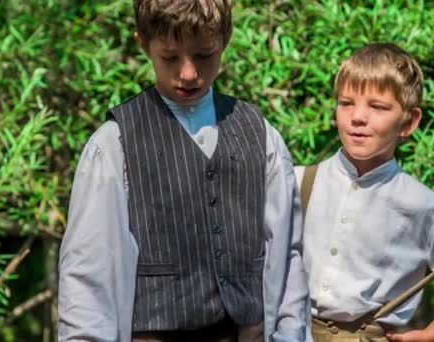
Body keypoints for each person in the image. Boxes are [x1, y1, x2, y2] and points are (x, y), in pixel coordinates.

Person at [58, 1, 311, 341]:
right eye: (170, 57)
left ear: (226, 40)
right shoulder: (115, 143)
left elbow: (287, 257)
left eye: (204, 55)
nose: (189, 73)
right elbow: (88, 273)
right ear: (143, 44)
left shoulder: (260, 134)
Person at [294, 42, 434, 342]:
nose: (357, 117)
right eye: (346, 103)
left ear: (409, 122)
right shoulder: (297, 182)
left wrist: (433, 333)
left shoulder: (424, 206)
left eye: (377, 107)